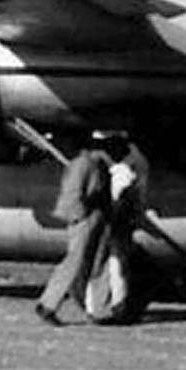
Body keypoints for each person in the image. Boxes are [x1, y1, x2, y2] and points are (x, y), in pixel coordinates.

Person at [34, 133, 115, 326]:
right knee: (76, 261)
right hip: (86, 215)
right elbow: (73, 192)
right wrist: (79, 216)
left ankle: (98, 309)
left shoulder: (91, 163)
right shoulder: (84, 164)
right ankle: (49, 303)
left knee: (97, 262)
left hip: (96, 214)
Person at [84, 137, 149, 325]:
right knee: (116, 266)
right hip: (118, 223)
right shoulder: (127, 172)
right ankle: (116, 306)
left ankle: (95, 307)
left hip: (106, 222)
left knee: (101, 265)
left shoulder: (107, 170)